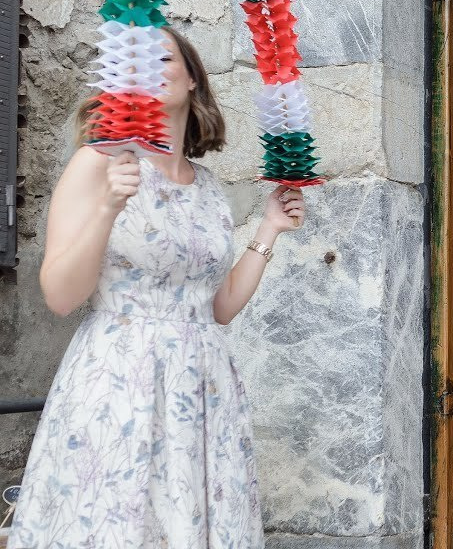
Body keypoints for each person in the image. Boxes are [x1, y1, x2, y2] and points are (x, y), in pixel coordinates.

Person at [8, 28, 306, 547]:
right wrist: (107, 208)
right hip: (120, 380)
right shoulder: (96, 163)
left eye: (163, 57)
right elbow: (59, 295)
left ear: (192, 78)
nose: (149, 67)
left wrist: (268, 230)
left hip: (203, 389)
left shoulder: (209, 187)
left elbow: (216, 308)